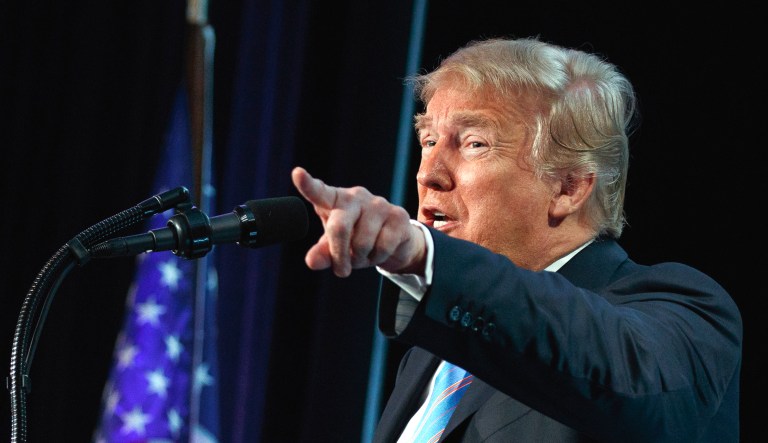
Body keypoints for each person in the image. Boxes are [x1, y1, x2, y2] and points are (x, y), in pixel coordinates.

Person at [290, 36, 742, 442]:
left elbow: (627, 378)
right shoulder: (432, 358)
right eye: (428, 140)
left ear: (568, 187)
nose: (429, 174)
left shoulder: (686, 312)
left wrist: (424, 256)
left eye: (474, 144)